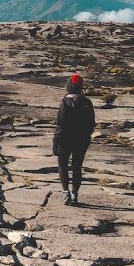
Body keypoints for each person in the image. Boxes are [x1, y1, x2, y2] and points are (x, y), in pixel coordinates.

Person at [52, 73, 95, 206]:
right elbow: (91, 124)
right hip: (81, 140)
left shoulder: (65, 102)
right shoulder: (87, 102)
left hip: (65, 139)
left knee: (63, 165)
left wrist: (56, 141)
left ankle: (66, 192)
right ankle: (75, 193)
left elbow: (61, 124)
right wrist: (86, 137)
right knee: (77, 166)